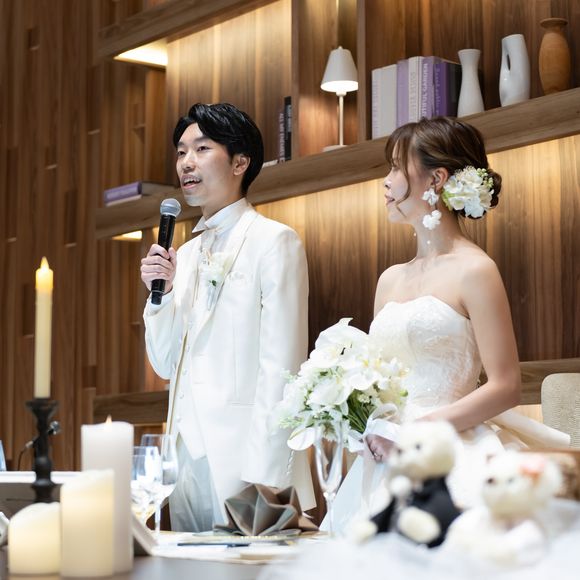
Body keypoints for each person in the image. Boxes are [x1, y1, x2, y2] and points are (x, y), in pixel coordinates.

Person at [324, 116, 570, 531]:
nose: (385, 182)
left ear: (436, 179)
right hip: (386, 453)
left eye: (396, 168)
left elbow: (506, 386)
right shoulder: (389, 279)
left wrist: (418, 432)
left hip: (452, 446)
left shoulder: (476, 270)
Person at [141, 102, 314, 532]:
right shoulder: (185, 254)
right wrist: (160, 297)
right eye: (181, 152)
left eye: (202, 149)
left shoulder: (274, 242)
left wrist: (264, 480)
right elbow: (164, 364)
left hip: (245, 464)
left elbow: (283, 369)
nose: (186, 163)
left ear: (240, 162)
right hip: (184, 461)